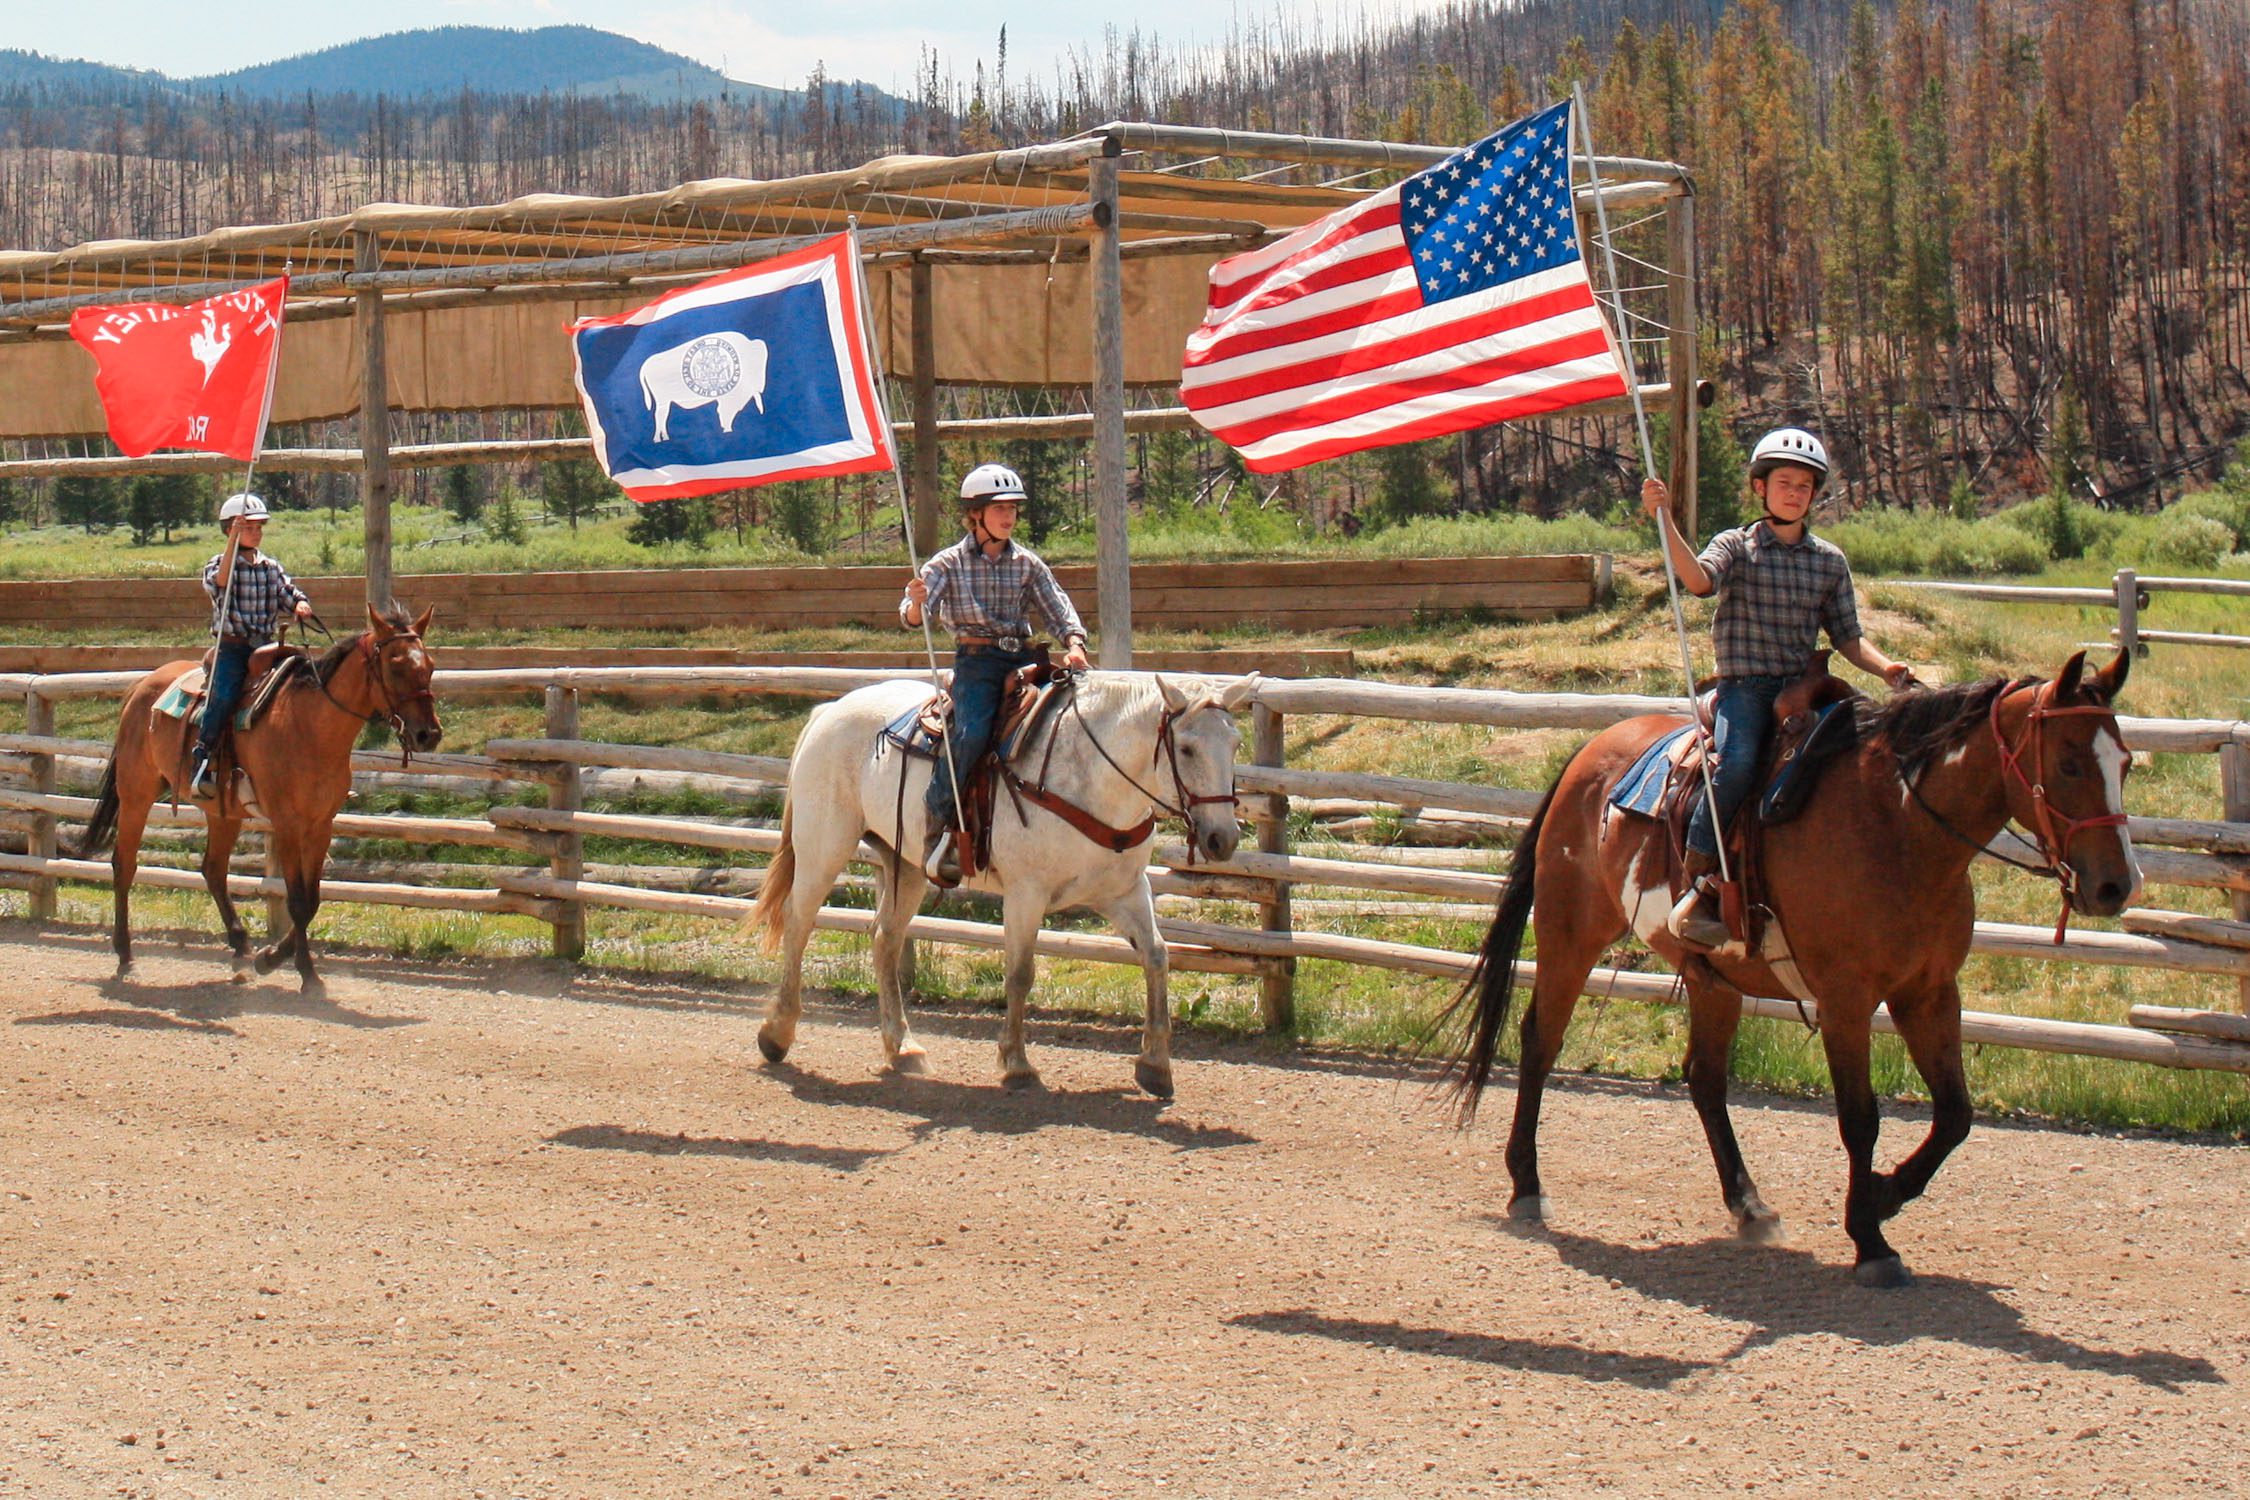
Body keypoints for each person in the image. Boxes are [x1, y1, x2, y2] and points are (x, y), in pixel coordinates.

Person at [1641, 427, 1916, 948]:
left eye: (1805, 486)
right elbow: (1699, 582)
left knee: (1862, 762)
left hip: (1804, 689)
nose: (1794, 493)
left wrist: (1887, 669)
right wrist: (1666, 521)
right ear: (1759, 489)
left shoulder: (1829, 561)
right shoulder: (1736, 546)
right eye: (1783, 482)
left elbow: (1849, 637)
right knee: (1740, 762)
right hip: (1746, 690)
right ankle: (1700, 876)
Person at [901, 462, 1091, 884]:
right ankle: (938, 819)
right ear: (976, 515)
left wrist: (1074, 644)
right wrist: (915, 603)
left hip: (1023, 656)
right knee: (971, 733)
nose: (1008, 517)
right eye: (999, 508)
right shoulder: (947, 564)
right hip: (978, 662)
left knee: (1074, 719)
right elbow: (916, 616)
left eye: (1013, 510)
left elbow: (1056, 607)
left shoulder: (1027, 564)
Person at [191, 492, 312, 798]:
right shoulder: (220, 565)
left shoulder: (270, 567)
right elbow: (219, 583)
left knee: (305, 687)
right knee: (225, 693)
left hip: (266, 646)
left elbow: (288, 591)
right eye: (248, 527)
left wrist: (299, 604)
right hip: (232, 647)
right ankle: (203, 757)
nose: (256, 533)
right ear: (229, 529)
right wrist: (232, 542)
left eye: (259, 528)